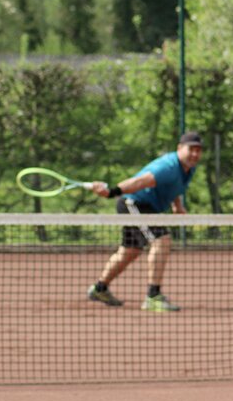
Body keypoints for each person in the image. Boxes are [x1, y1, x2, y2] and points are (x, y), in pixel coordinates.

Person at [85, 132, 204, 312]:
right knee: (162, 240)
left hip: (147, 207)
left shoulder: (189, 168)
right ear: (180, 148)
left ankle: (99, 288)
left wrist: (177, 206)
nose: (195, 154)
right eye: (191, 149)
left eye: (198, 150)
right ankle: (153, 296)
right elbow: (140, 181)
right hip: (134, 203)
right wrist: (111, 192)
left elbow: (175, 187)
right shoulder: (168, 166)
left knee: (130, 252)